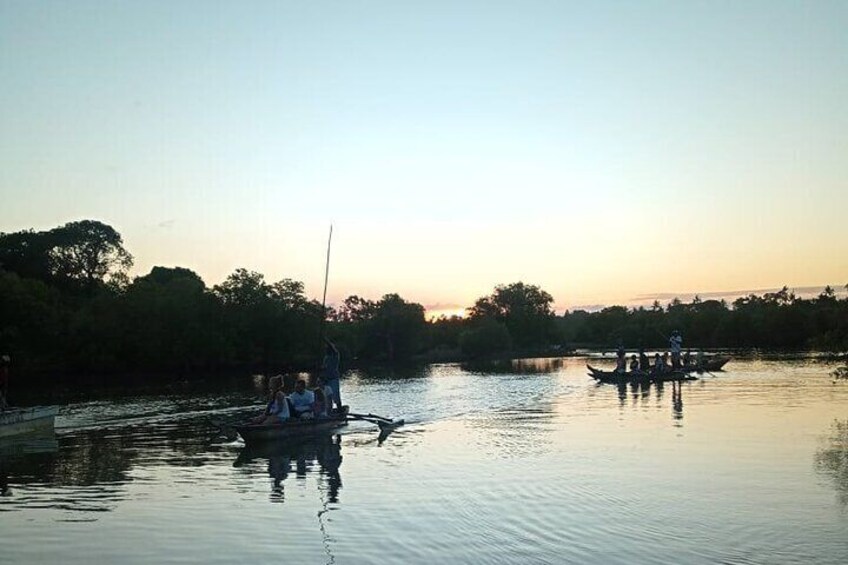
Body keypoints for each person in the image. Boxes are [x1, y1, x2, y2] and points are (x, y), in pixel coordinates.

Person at [320, 338, 342, 413]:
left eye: (327, 348)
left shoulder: (336, 355)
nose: (326, 349)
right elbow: (324, 368)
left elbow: (333, 348)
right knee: (326, 396)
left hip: (333, 378)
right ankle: (328, 410)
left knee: (335, 395)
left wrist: (326, 340)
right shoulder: (326, 357)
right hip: (326, 379)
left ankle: (340, 410)